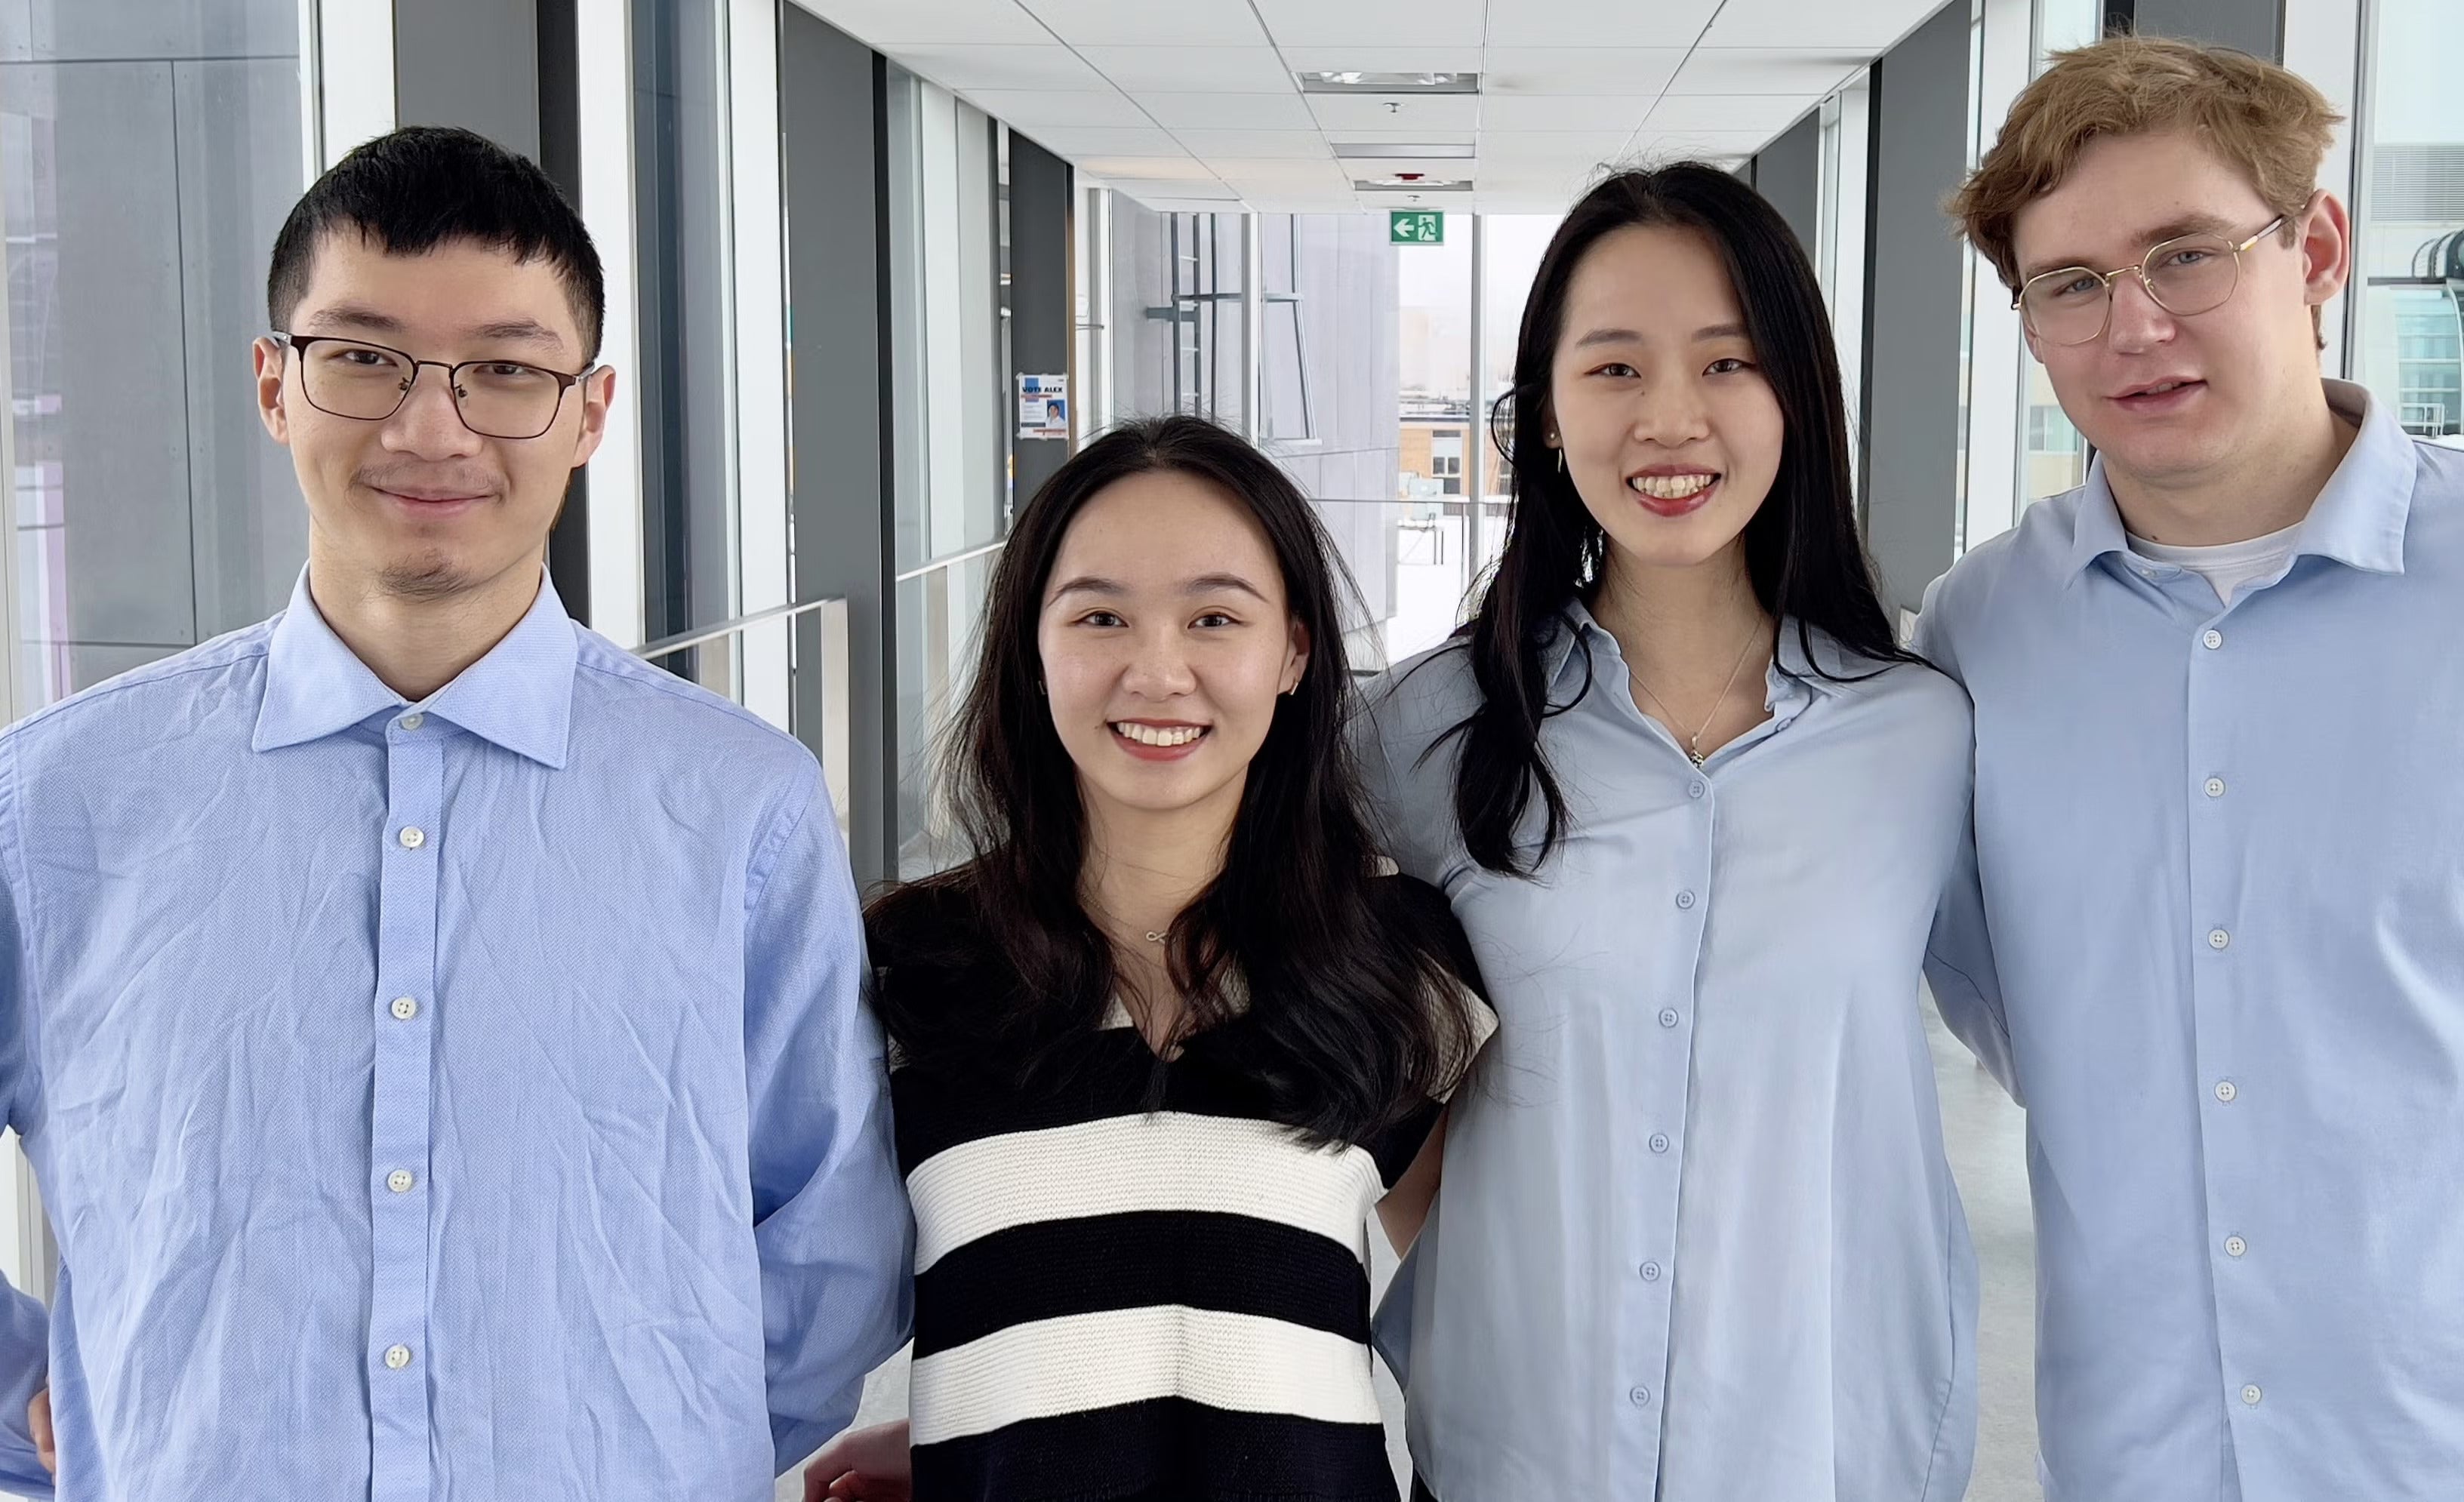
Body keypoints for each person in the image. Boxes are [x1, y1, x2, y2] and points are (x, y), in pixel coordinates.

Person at [0, 127, 910, 1498]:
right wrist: (35, 1390)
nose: (433, 427)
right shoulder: (59, 798)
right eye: (363, 357)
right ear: (274, 384)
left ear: (588, 412)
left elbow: (833, 1234)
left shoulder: (739, 806)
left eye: (505, 371)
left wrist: (657, 1437)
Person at [1921, 35, 2464, 1500]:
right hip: (2134, 1463)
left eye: (2183, 255)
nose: (2131, 326)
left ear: (2315, 247)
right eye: (2069, 284)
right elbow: (2032, 1035)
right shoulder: (1978, 635)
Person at [1356, 164, 1977, 1501]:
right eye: (1616, 368)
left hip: (1817, 1450)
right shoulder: (1425, 727)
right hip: (1513, 1452)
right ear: (1545, 416)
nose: (1671, 419)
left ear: (1796, 397)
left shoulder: (1926, 737)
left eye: (1727, 363)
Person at [802, 416, 1491, 1502]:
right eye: (1101, 616)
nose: (1157, 670)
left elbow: (1477, 1308)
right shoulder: (907, 967)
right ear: (1034, 645)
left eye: (1216, 617)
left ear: (1295, 652)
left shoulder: (1397, 962)